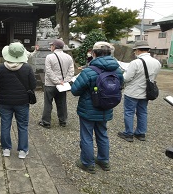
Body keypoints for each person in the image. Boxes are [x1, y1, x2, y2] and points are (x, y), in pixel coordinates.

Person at [71, 41, 124, 174]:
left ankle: (87, 163)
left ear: (93, 54)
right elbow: (120, 86)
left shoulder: (89, 71)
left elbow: (75, 90)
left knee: (87, 136)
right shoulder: (117, 70)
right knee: (102, 134)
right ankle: (104, 161)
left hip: (88, 109)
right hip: (106, 107)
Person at [0, 42, 37, 159]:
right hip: (22, 101)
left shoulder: (0, 67)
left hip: (4, 101)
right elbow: (33, 85)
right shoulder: (27, 68)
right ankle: (22, 150)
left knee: (5, 124)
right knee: (22, 125)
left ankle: (6, 149)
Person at [118, 40, 161, 142]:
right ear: (148, 50)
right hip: (146, 92)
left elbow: (127, 78)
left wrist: (123, 74)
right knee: (142, 112)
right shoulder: (157, 62)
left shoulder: (136, 62)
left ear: (137, 50)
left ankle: (128, 134)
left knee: (129, 112)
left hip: (132, 92)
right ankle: (141, 133)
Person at [38, 39, 74, 128]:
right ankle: (63, 121)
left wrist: (57, 81)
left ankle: (46, 122)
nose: (51, 47)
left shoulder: (49, 57)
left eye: (51, 45)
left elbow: (49, 71)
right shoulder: (68, 57)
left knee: (48, 103)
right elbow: (71, 71)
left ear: (54, 47)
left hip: (50, 84)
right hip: (63, 85)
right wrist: (65, 81)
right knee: (62, 103)